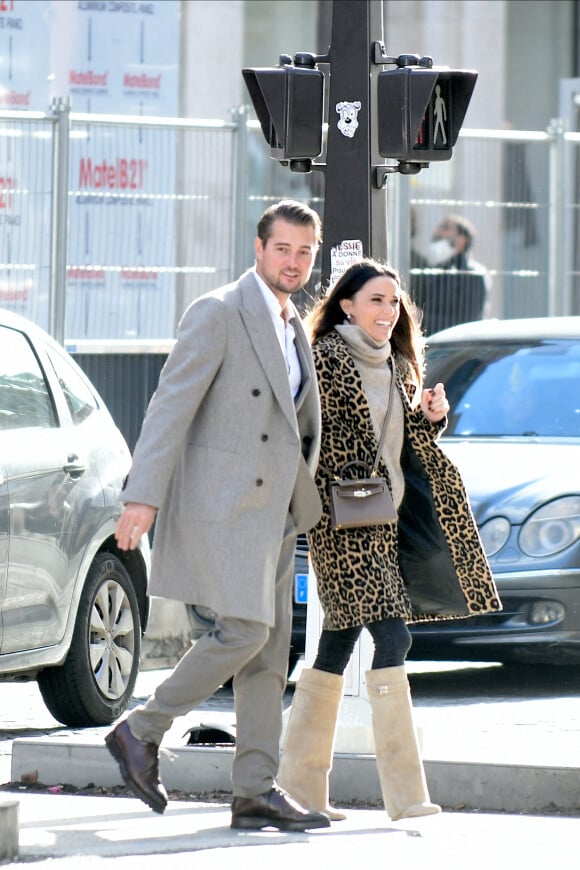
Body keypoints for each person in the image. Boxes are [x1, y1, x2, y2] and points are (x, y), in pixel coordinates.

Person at [105, 199, 331, 833]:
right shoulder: (218, 312)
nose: (293, 261)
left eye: (304, 252)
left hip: (279, 510)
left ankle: (256, 789)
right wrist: (141, 495)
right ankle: (140, 729)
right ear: (258, 248)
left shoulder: (293, 325)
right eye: (283, 248)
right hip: (226, 507)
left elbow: (296, 422)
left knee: (269, 652)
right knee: (246, 632)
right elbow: (169, 408)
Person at [277, 259, 501, 822]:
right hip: (342, 521)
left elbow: (399, 445)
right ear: (347, 305)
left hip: (389, 522)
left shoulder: (400, 365)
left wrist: (428, 417)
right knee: (394, 638)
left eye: (394, 302)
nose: (388, 311)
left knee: (336, 643)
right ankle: (406, 796)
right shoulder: (324, 359)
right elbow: (303, 434)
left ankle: (301, 789)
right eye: (376, 300)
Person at [411, 214, 491, 334]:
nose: (437, 231)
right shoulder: (435, 271)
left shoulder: (474, 275)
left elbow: (466, 322)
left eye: (445, 228)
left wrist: (420, 317)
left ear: (462, 240)